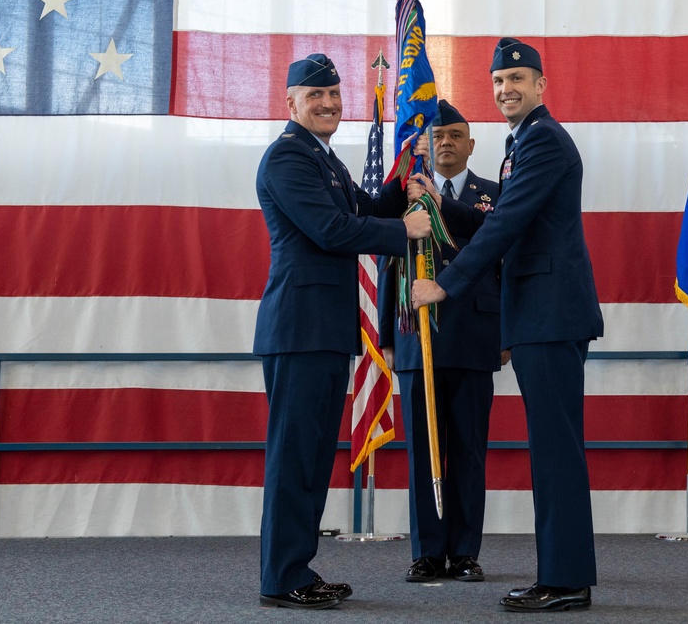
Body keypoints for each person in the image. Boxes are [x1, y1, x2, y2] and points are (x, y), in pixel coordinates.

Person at [412, 38, 603, 612]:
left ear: (542, 85)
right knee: (550, 449)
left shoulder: (542, 139)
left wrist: (446, 283)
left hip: (550, 313)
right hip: (539, 315)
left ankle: (565, 580)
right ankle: (561, 574)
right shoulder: (521, 143)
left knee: (556, 451)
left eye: (517, 78)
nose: (506, 89)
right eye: (498, 82)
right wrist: (443, 207)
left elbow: (509, 223)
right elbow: (500, 215)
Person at [253, 53, 431, 610]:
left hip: (325, 331)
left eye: (334, 93)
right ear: (290, 102)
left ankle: (296, 569)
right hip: (299, 330)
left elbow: (366, 207)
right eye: (315, 95)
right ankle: (282, 577)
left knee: (310, 457)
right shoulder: (288, 158)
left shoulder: (325, 160)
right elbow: (332, 230)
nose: (329, 103)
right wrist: (403, 229)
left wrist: (402, 178)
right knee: (294, 458)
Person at [377, 99, 503, 583]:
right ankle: (428, 552)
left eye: (455, 135)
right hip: (416, 336)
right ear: (424, 145)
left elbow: (504, 266)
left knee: (469, 450)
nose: (445, 142)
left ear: (471, 145)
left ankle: (465, 552)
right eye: (437, 135)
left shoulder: (494, 196)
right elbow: (392, 261)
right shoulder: (407, 195)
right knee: (423, 448)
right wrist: (389, 335)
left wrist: (505, 332)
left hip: (473, 335)